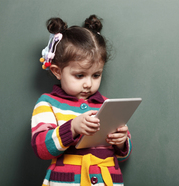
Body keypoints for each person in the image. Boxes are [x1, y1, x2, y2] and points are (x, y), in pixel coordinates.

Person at [31, 15, 132, 186]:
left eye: (96, 75)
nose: (88, 84)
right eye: (79, 75)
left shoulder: (106, 105)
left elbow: (124, 156)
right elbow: (41, 148)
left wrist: (122, 141)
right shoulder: (47, 103)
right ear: (57, 71)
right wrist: (72, 128)